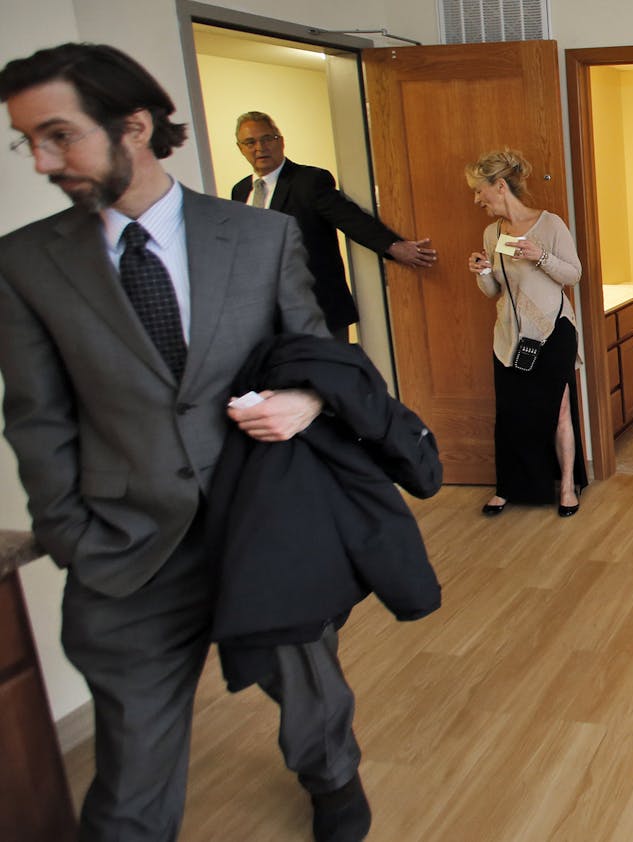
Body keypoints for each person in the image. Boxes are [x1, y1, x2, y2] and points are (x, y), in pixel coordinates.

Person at [0, 44, 370, 840]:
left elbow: (316, 357)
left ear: (134, 126)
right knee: (130, 778)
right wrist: (71, 536)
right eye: (25, 140)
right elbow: (37, 416)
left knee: (310, 690)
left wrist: (305, 400)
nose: (40, 159)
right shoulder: (24, 263)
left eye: (58, 135)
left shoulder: (259, 238)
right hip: (125, 550)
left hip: (263, 523)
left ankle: (332, 778)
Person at [230, 111, 437, 339]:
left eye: (267, 138)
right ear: (240, 148)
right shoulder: (240, 191)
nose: (260, 147)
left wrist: (394, 246)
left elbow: (350, 218)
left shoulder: (308, 181)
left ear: (281, 141)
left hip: (317, 309)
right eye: (250, 142)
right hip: (270, 316)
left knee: (331, 374)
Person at [466, 148, 586, 516]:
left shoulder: (550, 225)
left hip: (553, 333)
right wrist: (482, 272)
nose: (476, 199)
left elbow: (574, 275)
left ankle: (566, 486)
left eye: (479, 190)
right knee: (511, 413)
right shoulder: (492, 233)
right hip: (510, 338)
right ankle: (509, 487)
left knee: (558, 411)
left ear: (500, 186)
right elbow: (494, 293)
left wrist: (540, 256)